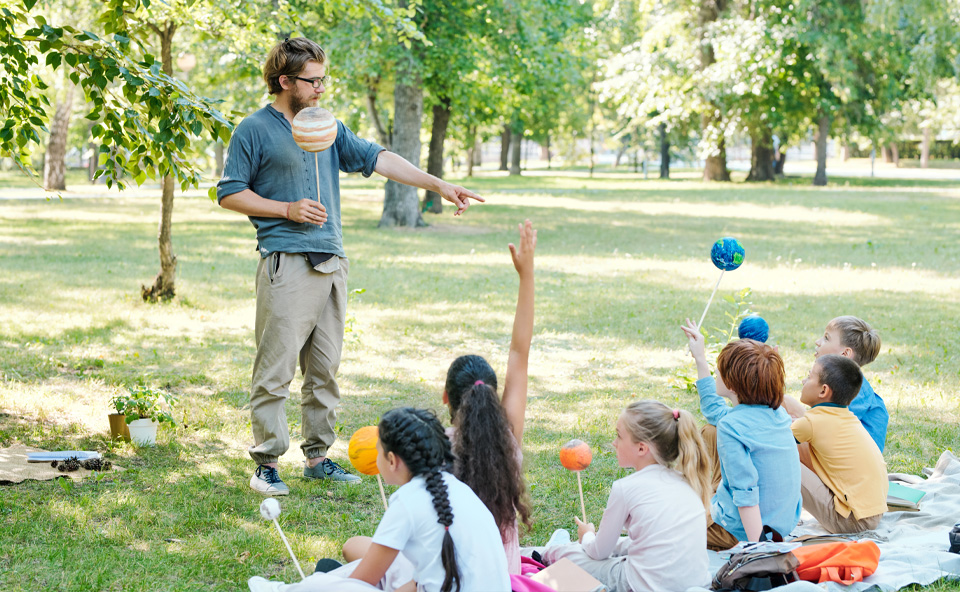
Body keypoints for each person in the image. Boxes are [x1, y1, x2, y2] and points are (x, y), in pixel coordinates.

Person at [216, 38, 484, 495]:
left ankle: (317, 457)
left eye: (324, 79)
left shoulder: (328, 126)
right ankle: (266, 462)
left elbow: (378, 158)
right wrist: (287, 209)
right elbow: (229, 192)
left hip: (332, 261)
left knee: (325, 370)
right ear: (285, 81)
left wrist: (437, 184)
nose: (321, 89)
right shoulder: (255, 130)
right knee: (276, 368)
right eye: (312, 81)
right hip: (287, 262)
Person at [248, 408, 510, 592]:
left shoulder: (408, 501)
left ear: (393, 460)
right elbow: (418, 582)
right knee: (376, 566)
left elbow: (363, 580)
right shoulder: (459, 490)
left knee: (323, 584)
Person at [441, 220, 536, 574]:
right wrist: (527, 275)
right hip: (504, 578)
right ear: (493, 397)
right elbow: (519, 353)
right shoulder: (507, 440)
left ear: (446, 398)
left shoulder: (434, 449)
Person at [540, 401, 711, 592]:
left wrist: (587, 534)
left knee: (568, 553)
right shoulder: (687, 480)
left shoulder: (625, 488)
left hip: (641, 585)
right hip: (696, 583)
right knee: (622, 545)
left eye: (619, 436)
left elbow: (599, 552)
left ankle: (553, 548)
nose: (614, 443)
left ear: (641, 448)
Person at [680, 320, 801, 550]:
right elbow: (713, 410)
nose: (716, 372)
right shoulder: (777, 415)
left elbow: (745, 492)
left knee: (671, 518)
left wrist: (757, 550)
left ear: (732, 386)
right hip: (781, 526)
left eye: (719, 370)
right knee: (709, 432)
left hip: (740, 531)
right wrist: (700, 358)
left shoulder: (731, 427)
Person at [791, 355, 888, 533]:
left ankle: (778, 514)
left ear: (823, 391)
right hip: (872, 513)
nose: (803, 380)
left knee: (779, 460)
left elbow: (773, 442)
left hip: (849, 521)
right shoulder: (845, 417)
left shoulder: (812, 422)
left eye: (809, 376)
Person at [783, 316, 887, 452]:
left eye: (826, 338)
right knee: (785, 404)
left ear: (844, 353)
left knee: (784, 421)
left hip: (844, 464)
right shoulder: (842, 382)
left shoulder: (854, 392)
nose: (818, 342)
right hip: (831, 447)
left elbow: (828, 430)